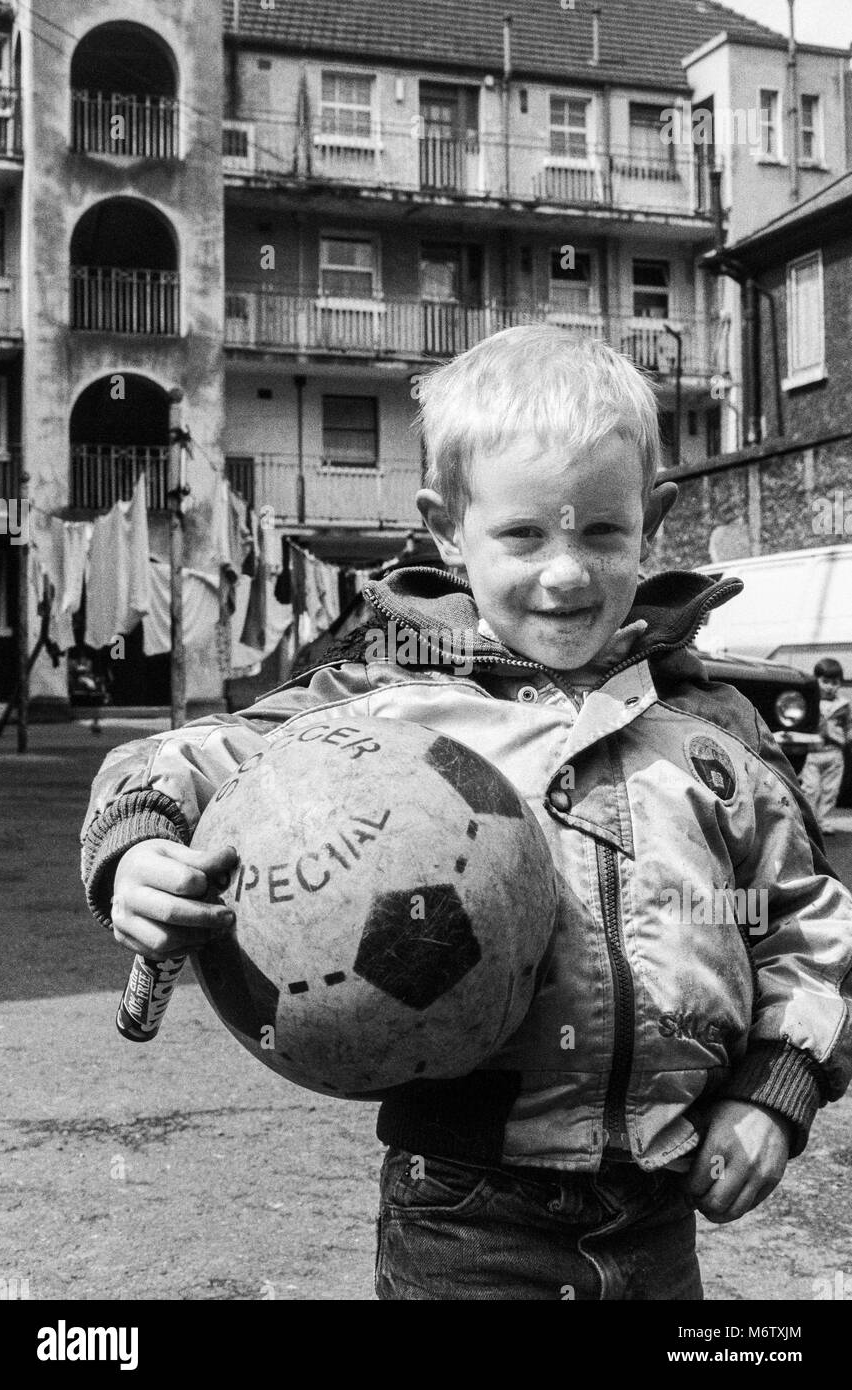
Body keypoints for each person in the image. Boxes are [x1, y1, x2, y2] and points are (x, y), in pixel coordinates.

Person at [80, 328, 852, 1301]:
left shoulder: (714, 726)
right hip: (463, 1211)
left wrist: (774, 1089)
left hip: (659, 1208)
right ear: (447, 527)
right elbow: (171, 762)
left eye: (601, 533)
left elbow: (808, 924)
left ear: (651, 521)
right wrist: (139, 849)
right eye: (523, 535)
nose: (565, 573)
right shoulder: (386, 705)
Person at [800, 657, 850, 836]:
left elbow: (848, 726)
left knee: (830, 790)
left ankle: (823, 820)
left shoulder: (843, 705)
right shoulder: (811, 702)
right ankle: (809, 821)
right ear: (817, 681)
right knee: (811, 788)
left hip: (834, 754)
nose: (830, 686)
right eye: (825, 682)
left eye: (835, 682)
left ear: (840, 684)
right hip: (813, 753)